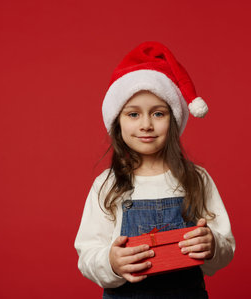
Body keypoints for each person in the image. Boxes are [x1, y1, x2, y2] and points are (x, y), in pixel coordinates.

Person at [74, 41, 235, 298]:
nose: (146, 124)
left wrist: (212, 244)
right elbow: (88, 254)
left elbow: (225, 246)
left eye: (158, 114)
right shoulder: (107, 184)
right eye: (133, 114)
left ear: (174, 119)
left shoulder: (196, 179)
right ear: (118, 121)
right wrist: (111, 262)